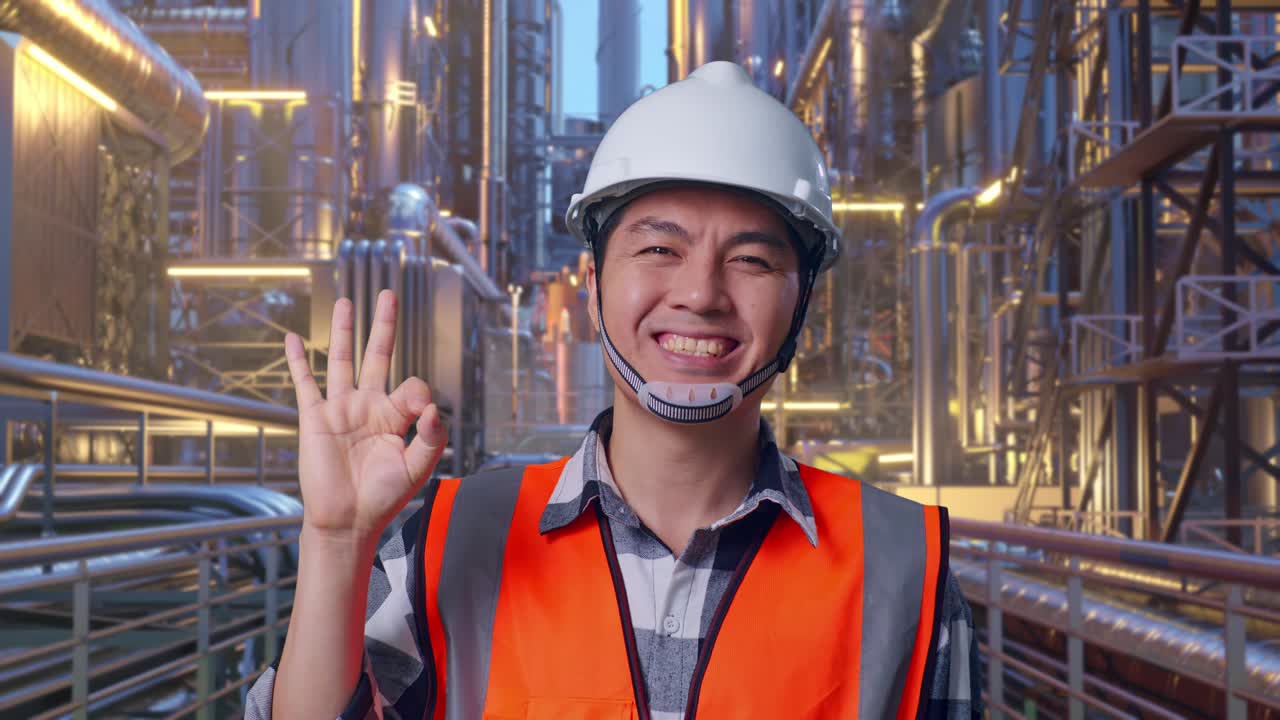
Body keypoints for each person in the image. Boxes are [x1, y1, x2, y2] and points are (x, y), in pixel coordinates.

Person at [248, 60, 981, 719]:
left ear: (802, 302)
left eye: (752, 260)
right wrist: (336, 542)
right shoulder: (450, 542)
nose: (700, 292)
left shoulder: (901, 571)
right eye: (659, 248)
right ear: (594, 287)